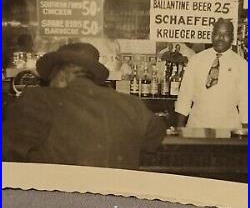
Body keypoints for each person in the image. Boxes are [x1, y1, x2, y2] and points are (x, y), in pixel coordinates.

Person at [3, 42, 166, 170]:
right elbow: (154, 138)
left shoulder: (38, 98)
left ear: (61, 75)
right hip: (114, 206)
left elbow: (7, 151)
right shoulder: (133, 104)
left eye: (50, 79)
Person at [175, 18, 248, 129]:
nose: (220, 38)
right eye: (217, 34)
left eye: (226, 34)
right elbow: (184, 97)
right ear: (212, 35)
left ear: (232, 38)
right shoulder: (196, 60)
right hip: (196, 127)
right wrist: (179, 130)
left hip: (228, 129)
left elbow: (245, 104)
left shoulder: (242, 65)